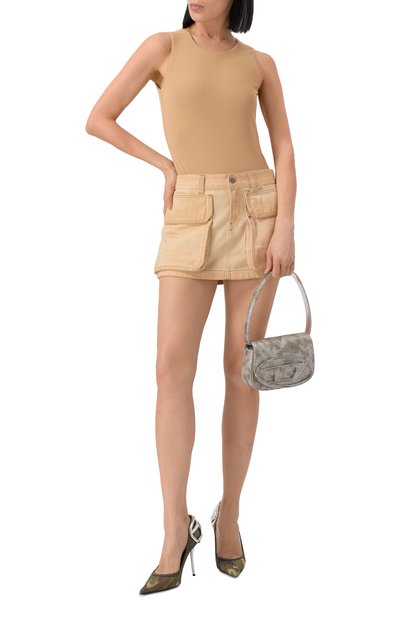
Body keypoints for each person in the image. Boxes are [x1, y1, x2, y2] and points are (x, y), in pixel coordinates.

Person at [86, 0, 296, 595]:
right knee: (170, 368)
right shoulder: (162, 47)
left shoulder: (260, 62)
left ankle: (230, 517)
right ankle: (174, 528)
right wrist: (163, 165)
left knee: (242, 369)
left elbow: (283, 146)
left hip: (257, 211)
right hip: (190, 211)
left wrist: (285, 226)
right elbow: (99, 117)